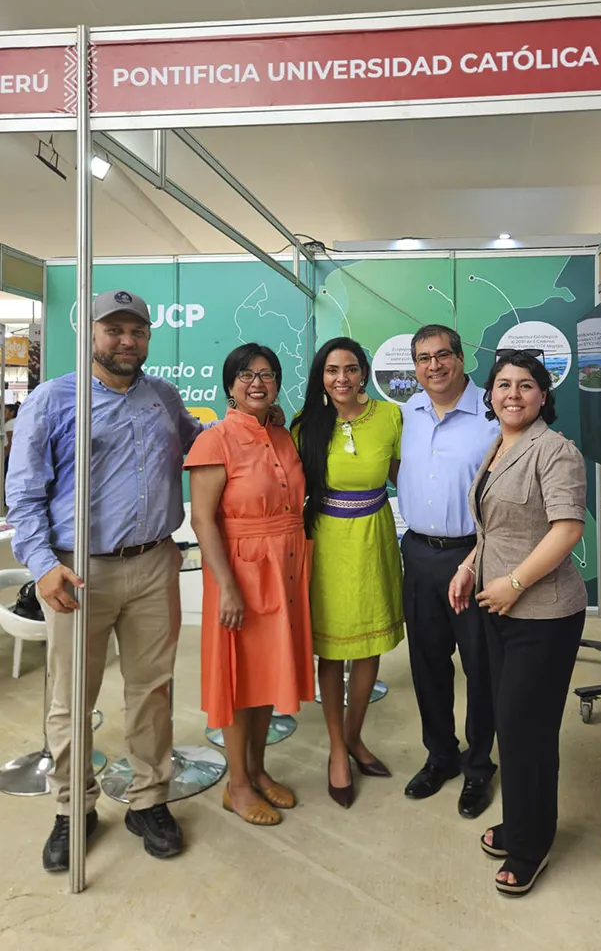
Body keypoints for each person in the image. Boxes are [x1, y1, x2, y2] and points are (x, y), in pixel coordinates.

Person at [9, 290, 202, 872]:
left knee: (152, 690)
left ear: (147, 338)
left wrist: (255, 425)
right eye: (114, 330)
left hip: (153, 562)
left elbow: (203, 446)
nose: (126, 341)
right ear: (91, 334)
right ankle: (73, 807)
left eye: (136, 331)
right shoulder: (52, 399)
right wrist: (42, 565)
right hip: (76, 571)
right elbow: (23, 494)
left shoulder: (163, 397)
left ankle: (149, 799)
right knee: (72, 699)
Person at [449, 349, 586, 897]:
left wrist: (515, 582)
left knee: (528, 730)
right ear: (490, 394)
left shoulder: (555, 451)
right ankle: (523, 822)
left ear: (543, 395)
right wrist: (469, 566)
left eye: (525, 385)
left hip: (543, 613)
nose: (513, 394)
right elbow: (495, 530)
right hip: (498, 606)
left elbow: (567, 529)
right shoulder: (500, 446)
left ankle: (532, 846)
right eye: (503, 384)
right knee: (512, 725)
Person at [185, 343, 314, 826]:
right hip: (239, 573)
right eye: (246, 375)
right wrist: (227, 587)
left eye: (267, 374)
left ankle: (258, 770)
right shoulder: (214, 440)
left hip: (284, 569)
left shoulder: (281, 435)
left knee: (267, 677)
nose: (257, 383)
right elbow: (202, 520)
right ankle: (236, 785)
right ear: (229, 385)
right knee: (241, 682)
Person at [292, 337, 403, 808]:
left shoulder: (390, 417)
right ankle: (338, 749)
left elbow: (403, 476)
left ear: (363, 373)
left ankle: (355, 737)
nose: (342, 378)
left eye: (351, 369)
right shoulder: (305, 425)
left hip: (375, 536)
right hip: (327, 542)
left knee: (369, 646)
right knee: (333, 650)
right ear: (321, 376)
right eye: (332, 370)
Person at [398, 325, 499, 819]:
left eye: (442, 355)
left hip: (476, 557)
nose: (433, 366)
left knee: (481, 668)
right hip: (419, 555)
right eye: (423, 358)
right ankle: (440, 755)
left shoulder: (493, 414)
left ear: (461, 358)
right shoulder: (405, 414)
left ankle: (479, 765)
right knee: (427, 665)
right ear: (415, 367)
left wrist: (477, 559)